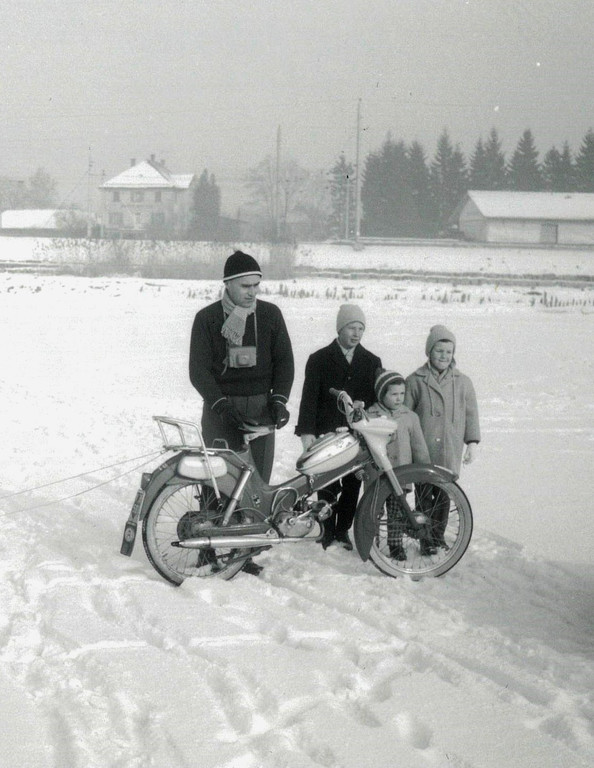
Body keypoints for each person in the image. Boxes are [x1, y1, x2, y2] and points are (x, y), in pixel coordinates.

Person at [189, 249, 294, 483]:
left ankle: (253, 521)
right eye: (245, 286)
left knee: (257, 486)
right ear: (228, 284)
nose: (253, 292)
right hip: (221, 412)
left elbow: (285, 361)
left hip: (261, 408)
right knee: (218, 484)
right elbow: (198, 371)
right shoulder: (207, 318)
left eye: (256, 285)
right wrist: (222, 407)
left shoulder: (270, 315)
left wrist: (279, 401)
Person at [296, 304, 381, 550]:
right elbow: (309, 398)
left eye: (361, 329)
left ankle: (342, 530)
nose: (356, 333)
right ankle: (327, 530)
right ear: (340, 328)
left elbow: (375, 401)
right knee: (327, 484)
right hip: (326, 434)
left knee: (352, 484)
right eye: (352, 328)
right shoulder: (319, 359)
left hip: (356, 437)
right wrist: (307, 432)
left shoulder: (371, 361)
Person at [404, 324, 480, 553]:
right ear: (429, 352)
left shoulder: (463, 382)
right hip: (423, 447)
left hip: (450, 448)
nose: (444, 356)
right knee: (425, 495)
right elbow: (405, 414)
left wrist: (472, 443)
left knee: (444, 495)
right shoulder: (415, 380)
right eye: (439, 351)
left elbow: (471, 414)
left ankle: (438, 536)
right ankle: (426, 539)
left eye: (449, 352)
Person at [366, 369, 431, 560]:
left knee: (397, 512)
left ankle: (396, 545)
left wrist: (424, 468)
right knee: (374, 511)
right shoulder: (371, 415)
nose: (398, 398)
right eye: (393, 394)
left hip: (401, 475)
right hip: (376, 474)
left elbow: (419, 446)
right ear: (381, 394)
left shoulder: (410, 417)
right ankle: (372, 543)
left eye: (402, 394)